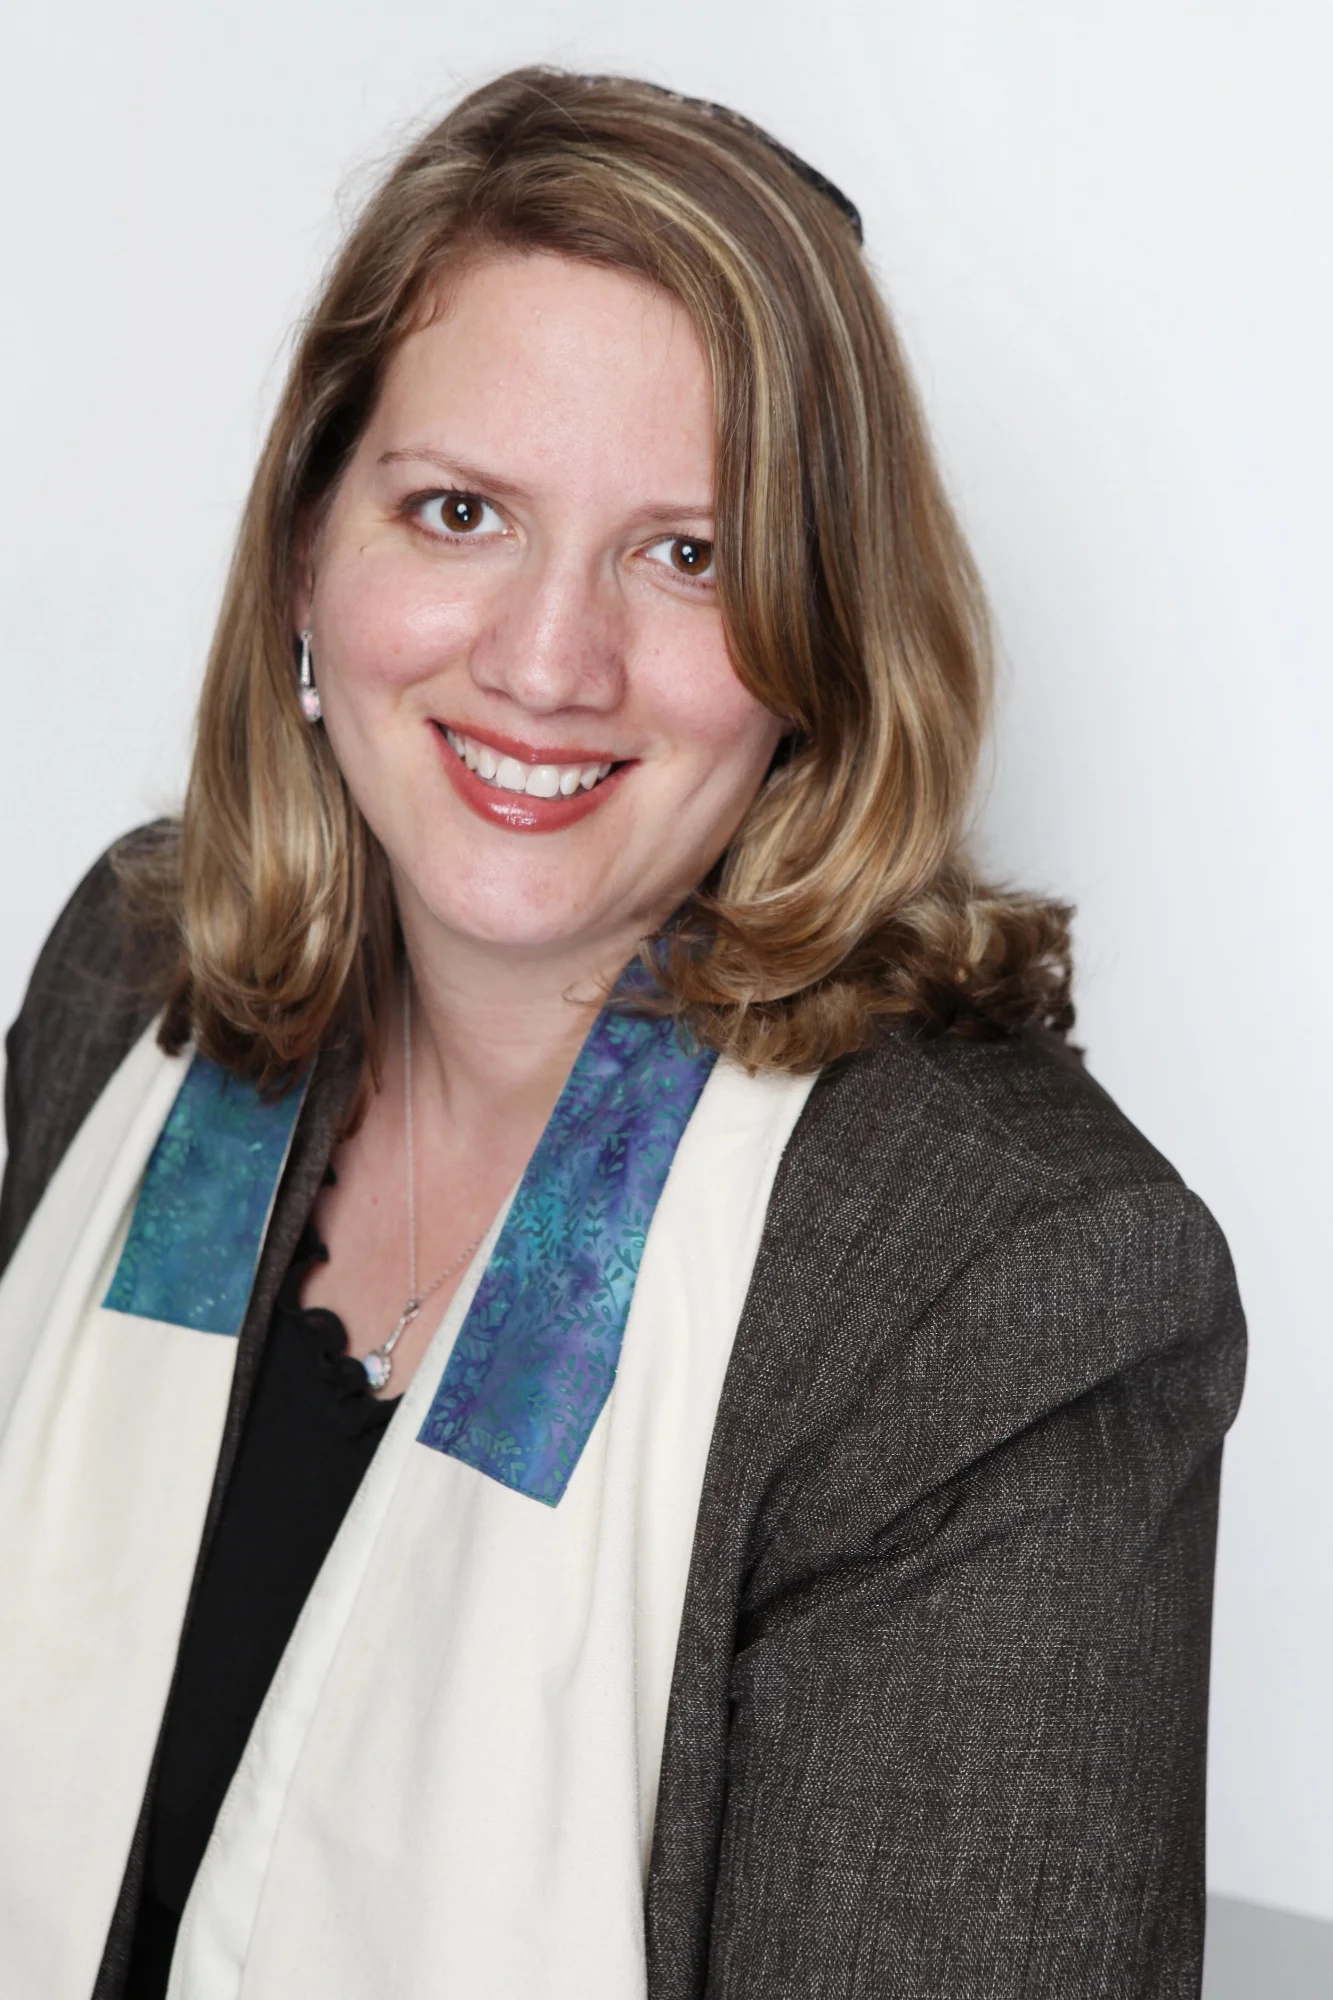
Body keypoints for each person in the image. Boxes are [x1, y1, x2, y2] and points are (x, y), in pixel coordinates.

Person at [0, 67, 1244, 2000]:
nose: (548, 663)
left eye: (691, 554)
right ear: (310, 553)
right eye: (460, 510)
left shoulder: (987, 1302)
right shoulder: (133, 989)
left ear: (823, 648)